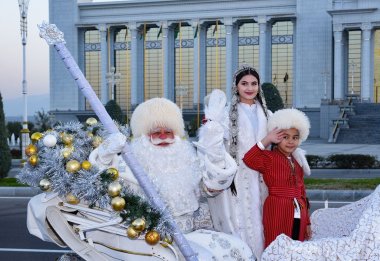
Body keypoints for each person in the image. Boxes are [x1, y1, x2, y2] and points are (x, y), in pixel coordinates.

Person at [27, 97, 255, 260]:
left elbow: (213, 186)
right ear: (144, 134)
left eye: (169, 132)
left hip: (190, 232)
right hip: (146, 237)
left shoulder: (188, 156)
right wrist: (106, 152)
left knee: (237, 249)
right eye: (157, 132)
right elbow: (96, 179)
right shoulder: (130, 158)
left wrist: (213, 140)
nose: (164, 138)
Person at [201, 64, 271, 259]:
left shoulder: (267, 114)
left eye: (254, 83)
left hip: (262, 178)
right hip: (237, 178)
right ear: (236, 86)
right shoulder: (225, 115)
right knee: (238, 223)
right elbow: (212, 147)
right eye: (244, 83)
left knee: (261, 223)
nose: (249, 88)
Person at [243, 108, 312, 248]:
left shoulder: (298, 161)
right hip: (276, 210)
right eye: (285, 137)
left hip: (299, 212)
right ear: (277, 137)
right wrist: (267, 140)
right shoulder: (269, 158)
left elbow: (302, 192)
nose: (290, 142)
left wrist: (308, 222)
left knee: (297, 249)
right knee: (276, 247)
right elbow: (248, 159)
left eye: (295, 137)